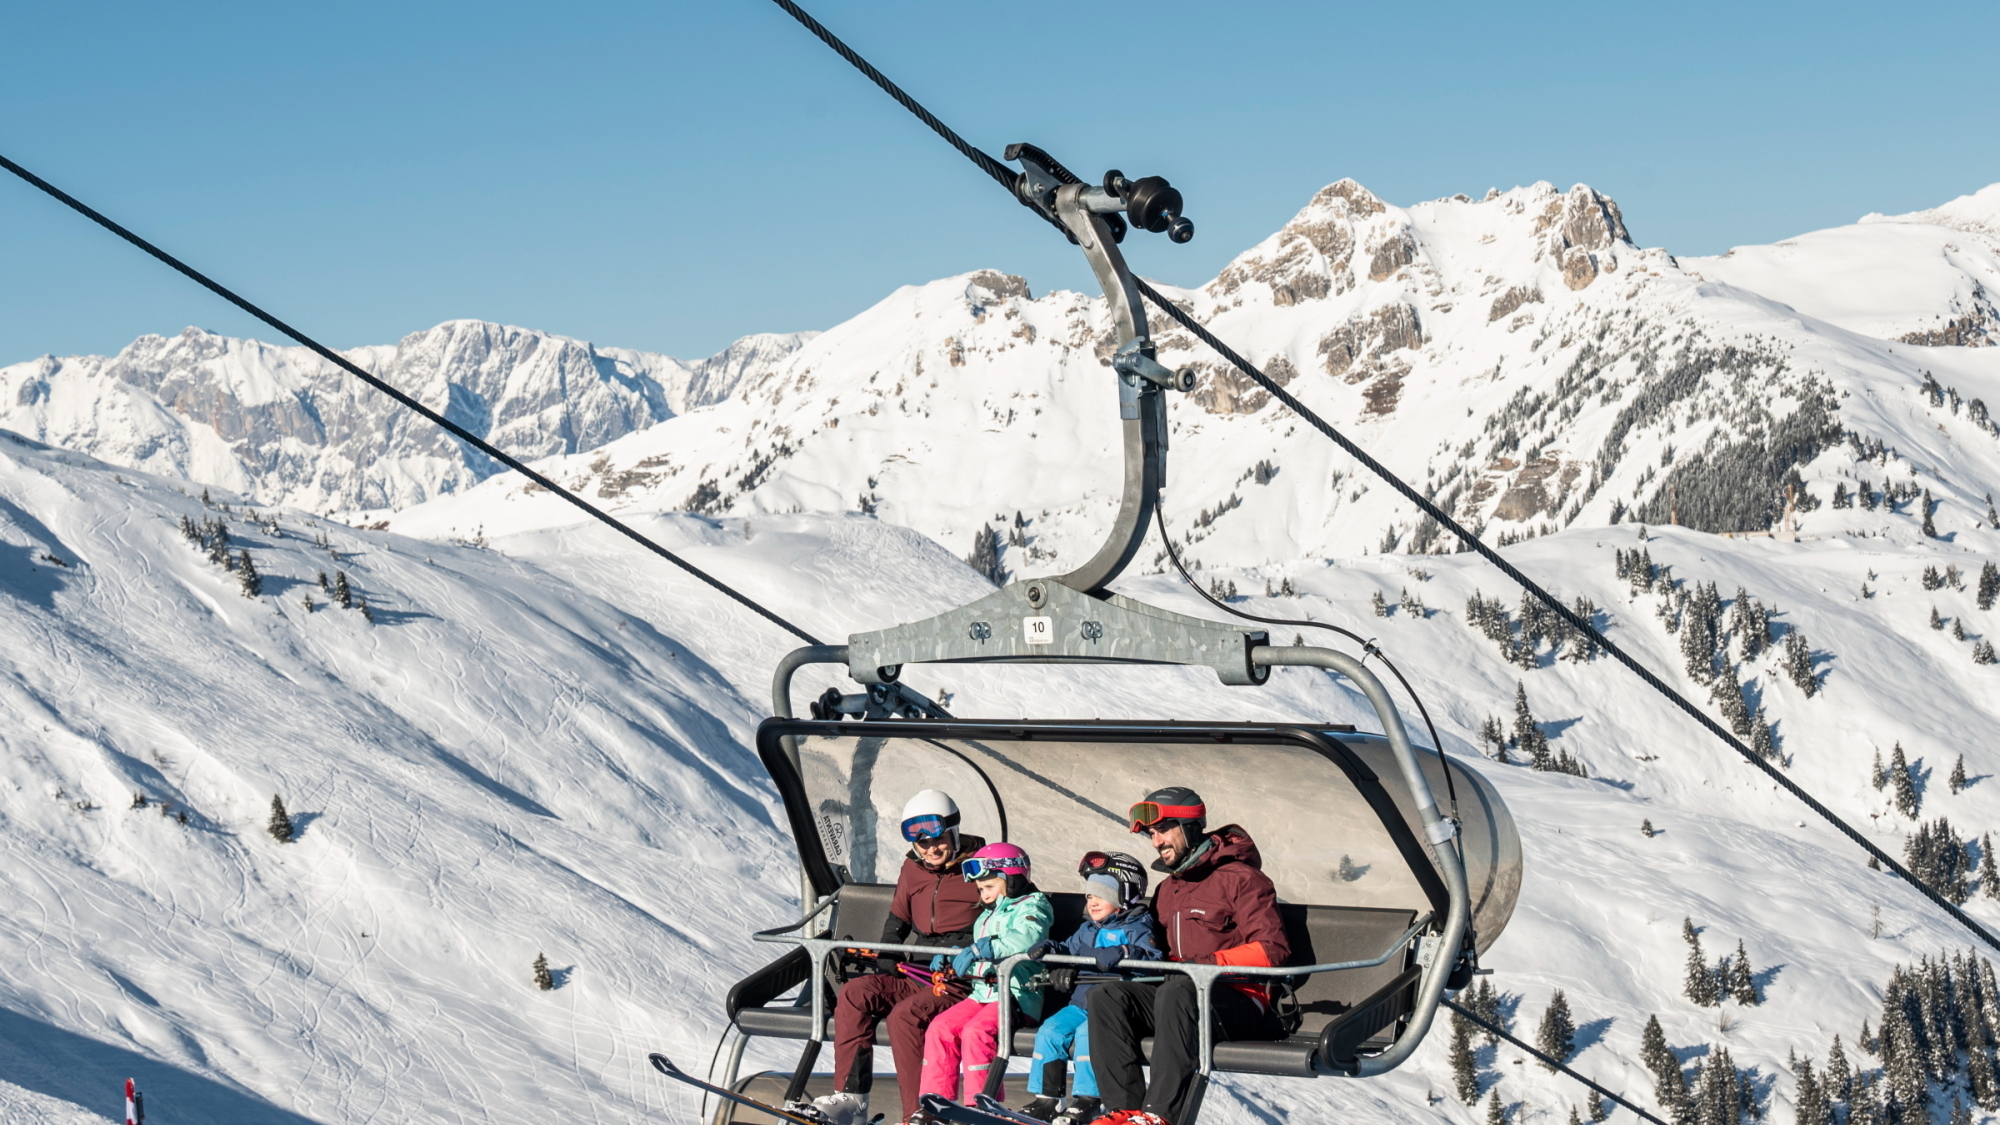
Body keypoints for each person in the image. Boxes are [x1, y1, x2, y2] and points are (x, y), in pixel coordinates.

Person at [1086, 787, 1290, 1125]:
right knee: (1107, 996)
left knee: (1180, 989)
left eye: (1163, 830)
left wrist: (1205, 967)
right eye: (1152, 834)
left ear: (1191, 828)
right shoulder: (1169, 889)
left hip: (1237, 1000)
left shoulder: (1243, 879)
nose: (1156, 842)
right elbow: (1154, 951)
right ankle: (1125, 1111)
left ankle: (1159, 1116)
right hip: (1179, 1002)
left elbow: (1273, 950)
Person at [812, 790, 986, 1125]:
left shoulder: (981, 865)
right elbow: (899, 919)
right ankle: (852, 1098)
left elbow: (1013, 910)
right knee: (856, 993)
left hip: (961, 978)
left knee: (904, 1018)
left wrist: (965, 943)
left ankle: (920, 1113)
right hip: (918, 972)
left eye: (938, 840)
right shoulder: (912, 868)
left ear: (953, 832)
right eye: (922, 844)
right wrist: (888, 950)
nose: (931, 849)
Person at [1016, 850, 1162, 1125]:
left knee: (1087, 1037)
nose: (1093, 901)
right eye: (1090, 895)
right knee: (1049, 1032)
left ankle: (1087, 1099)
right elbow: (1068, 949)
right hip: (1080, 1003)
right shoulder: (1087, 929)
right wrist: (1051, 948)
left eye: (1102, 894)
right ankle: (1047, 1098)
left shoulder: (1137, 926)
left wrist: (1124, 951)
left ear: (1124, 894)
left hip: (1110, 1011)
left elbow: (1154, 961)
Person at [914, 842, 1053, 1121]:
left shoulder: (1033, 905)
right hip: (983, 995)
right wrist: (955, 958)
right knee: (940, 1028)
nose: (984, 895)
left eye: (989, 887)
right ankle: (936, 1103)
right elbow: (981, 955)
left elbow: (1028, 938)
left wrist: (983, 948)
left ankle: (982, 1105)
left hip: (1017, 996)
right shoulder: (986, 916)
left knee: (976, 1032)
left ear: (1011, 880)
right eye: (980, 890)